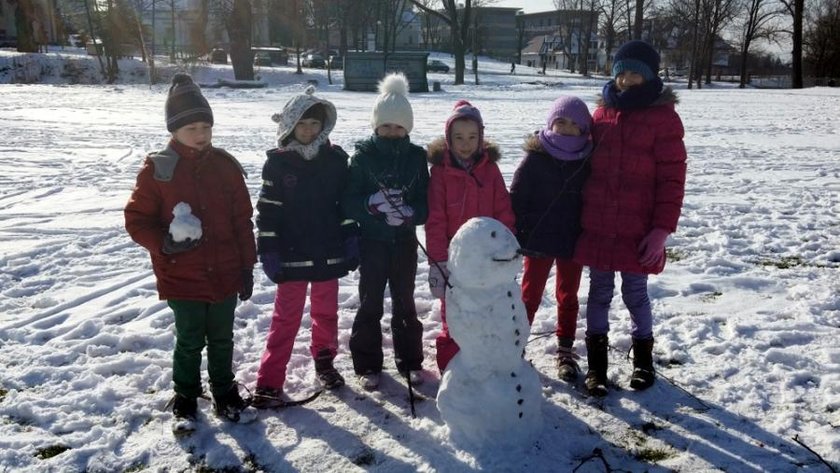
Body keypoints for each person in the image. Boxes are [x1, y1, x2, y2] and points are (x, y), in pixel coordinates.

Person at [124, 73, 257, 428]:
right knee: (189, 340)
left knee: (222, 338)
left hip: (226, 272)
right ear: (173, 131)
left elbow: (243, 220)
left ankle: (224, 390)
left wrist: (247, 266)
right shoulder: (158, 170)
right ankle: (185, 393)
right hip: (181, 275)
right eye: (191, 129)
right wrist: (163, 244)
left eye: (205, 127)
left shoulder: (226, 167)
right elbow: (137, 220)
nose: (200, 135)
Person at [574, 40, 687, 396]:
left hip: (638, 228)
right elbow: (580, 162)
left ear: (650, 75)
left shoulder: (664, 118)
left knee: (635, 293)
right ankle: (596, 369)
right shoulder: (601, 114)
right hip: (599, 225)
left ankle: (643, 362)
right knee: (598, 293)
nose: (625, 80)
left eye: (634, 73)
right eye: (620, 72)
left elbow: (673, 178)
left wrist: (660, 230)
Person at [250, 86, 358, 409]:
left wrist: (352, 236)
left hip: (328, 252)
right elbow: (267, 210)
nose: (309, 130)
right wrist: (268, 247)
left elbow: (345, 207)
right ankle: (269, 379)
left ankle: (324, 360)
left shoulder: (337, 161)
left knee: (326, 312)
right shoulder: (278, 165)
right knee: (285, 318)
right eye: (302, 124)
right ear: (290, 127)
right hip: (292, 256)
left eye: (314, 124)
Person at [341, 73, 430, 390]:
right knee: (370, 302)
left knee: (405, 302)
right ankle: (367, 364)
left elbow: (425, 202)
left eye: (398, 126)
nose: (392, 132)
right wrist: (371, 206)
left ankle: (410, 360)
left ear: (407, 127)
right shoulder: (363, 157)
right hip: (373, 243)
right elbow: (348, 202)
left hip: (404, 242)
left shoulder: (418, 158)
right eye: (386, 126)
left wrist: (411, 213)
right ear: (375, 126)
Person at [426, 100, 515, 373]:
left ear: (481, 138)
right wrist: (438, 261)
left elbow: (503, 210)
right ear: (449, 139)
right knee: (455, 310)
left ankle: (487, 359)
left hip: (487, 259)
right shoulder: (440, 173)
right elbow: (436, 220)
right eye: (459, 137)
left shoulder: (490, 170)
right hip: (454, 260)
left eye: (472, 137)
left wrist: (505, 252)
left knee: (487, 306)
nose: (465, 144)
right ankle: (454, 363)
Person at [509, 95, 593, 382]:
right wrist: (518, 232)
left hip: (573, 240)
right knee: (529, 294)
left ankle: (565, 349)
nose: (566, 128)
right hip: (538, 239)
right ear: (550, 123)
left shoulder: (588, 160)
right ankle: (515, 345)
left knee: (568, 295)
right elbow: (517, 198)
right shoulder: (535, 157)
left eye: (574, 124)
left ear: (584, 130)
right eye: (561, 121)